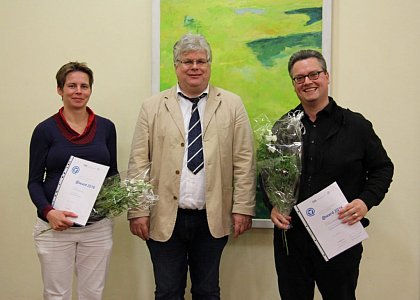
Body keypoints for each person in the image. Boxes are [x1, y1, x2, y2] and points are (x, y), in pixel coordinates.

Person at [128, 33, 256, 299]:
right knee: (167, 291)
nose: (194, 67)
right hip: (163, 219)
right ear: (176, 66)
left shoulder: (232, 105)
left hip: (211, 218)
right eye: (187, 61)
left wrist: (243, 207)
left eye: (201, 61)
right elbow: (139, 161)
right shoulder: (152, 107)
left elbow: (244, 160)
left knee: (208, 291)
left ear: (209, 65)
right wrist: (137, 210)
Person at [263, 49, 394, 300]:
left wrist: (365, 201)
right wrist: (273, 207)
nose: (307, 82)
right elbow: (268, 175)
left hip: (340, 236)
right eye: (299, 78)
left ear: (327, 76)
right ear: (293, 85)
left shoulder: (356, 126)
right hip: (292, 239)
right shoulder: (283, 127)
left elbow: (383, 168)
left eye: (314, 74)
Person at [28, 62, 118, 300]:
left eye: (84, 86)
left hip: (96, 228)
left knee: (93, 294)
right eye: (72, 86)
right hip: (56, 227)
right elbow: (34, 181)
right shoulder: (44, 130)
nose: (78, 91)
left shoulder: (107, 128)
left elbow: (112, 175)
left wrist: (115, 203)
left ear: (90, 90)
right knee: (56, 294)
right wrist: (49, 213)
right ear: (60, 90)